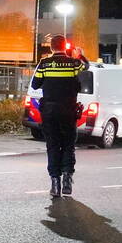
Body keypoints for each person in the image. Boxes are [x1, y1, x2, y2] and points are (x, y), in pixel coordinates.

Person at [31, 34, 89, 197]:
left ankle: (55, 183)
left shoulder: (44, 64)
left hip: (49, 113)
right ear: (65, 47)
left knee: (53, 146)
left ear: (51, 47)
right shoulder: (73, 63)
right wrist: (80, 55)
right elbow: (86, 66)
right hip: (68, 112)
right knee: (68, 145)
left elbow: (35, 85)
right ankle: (67, 180)